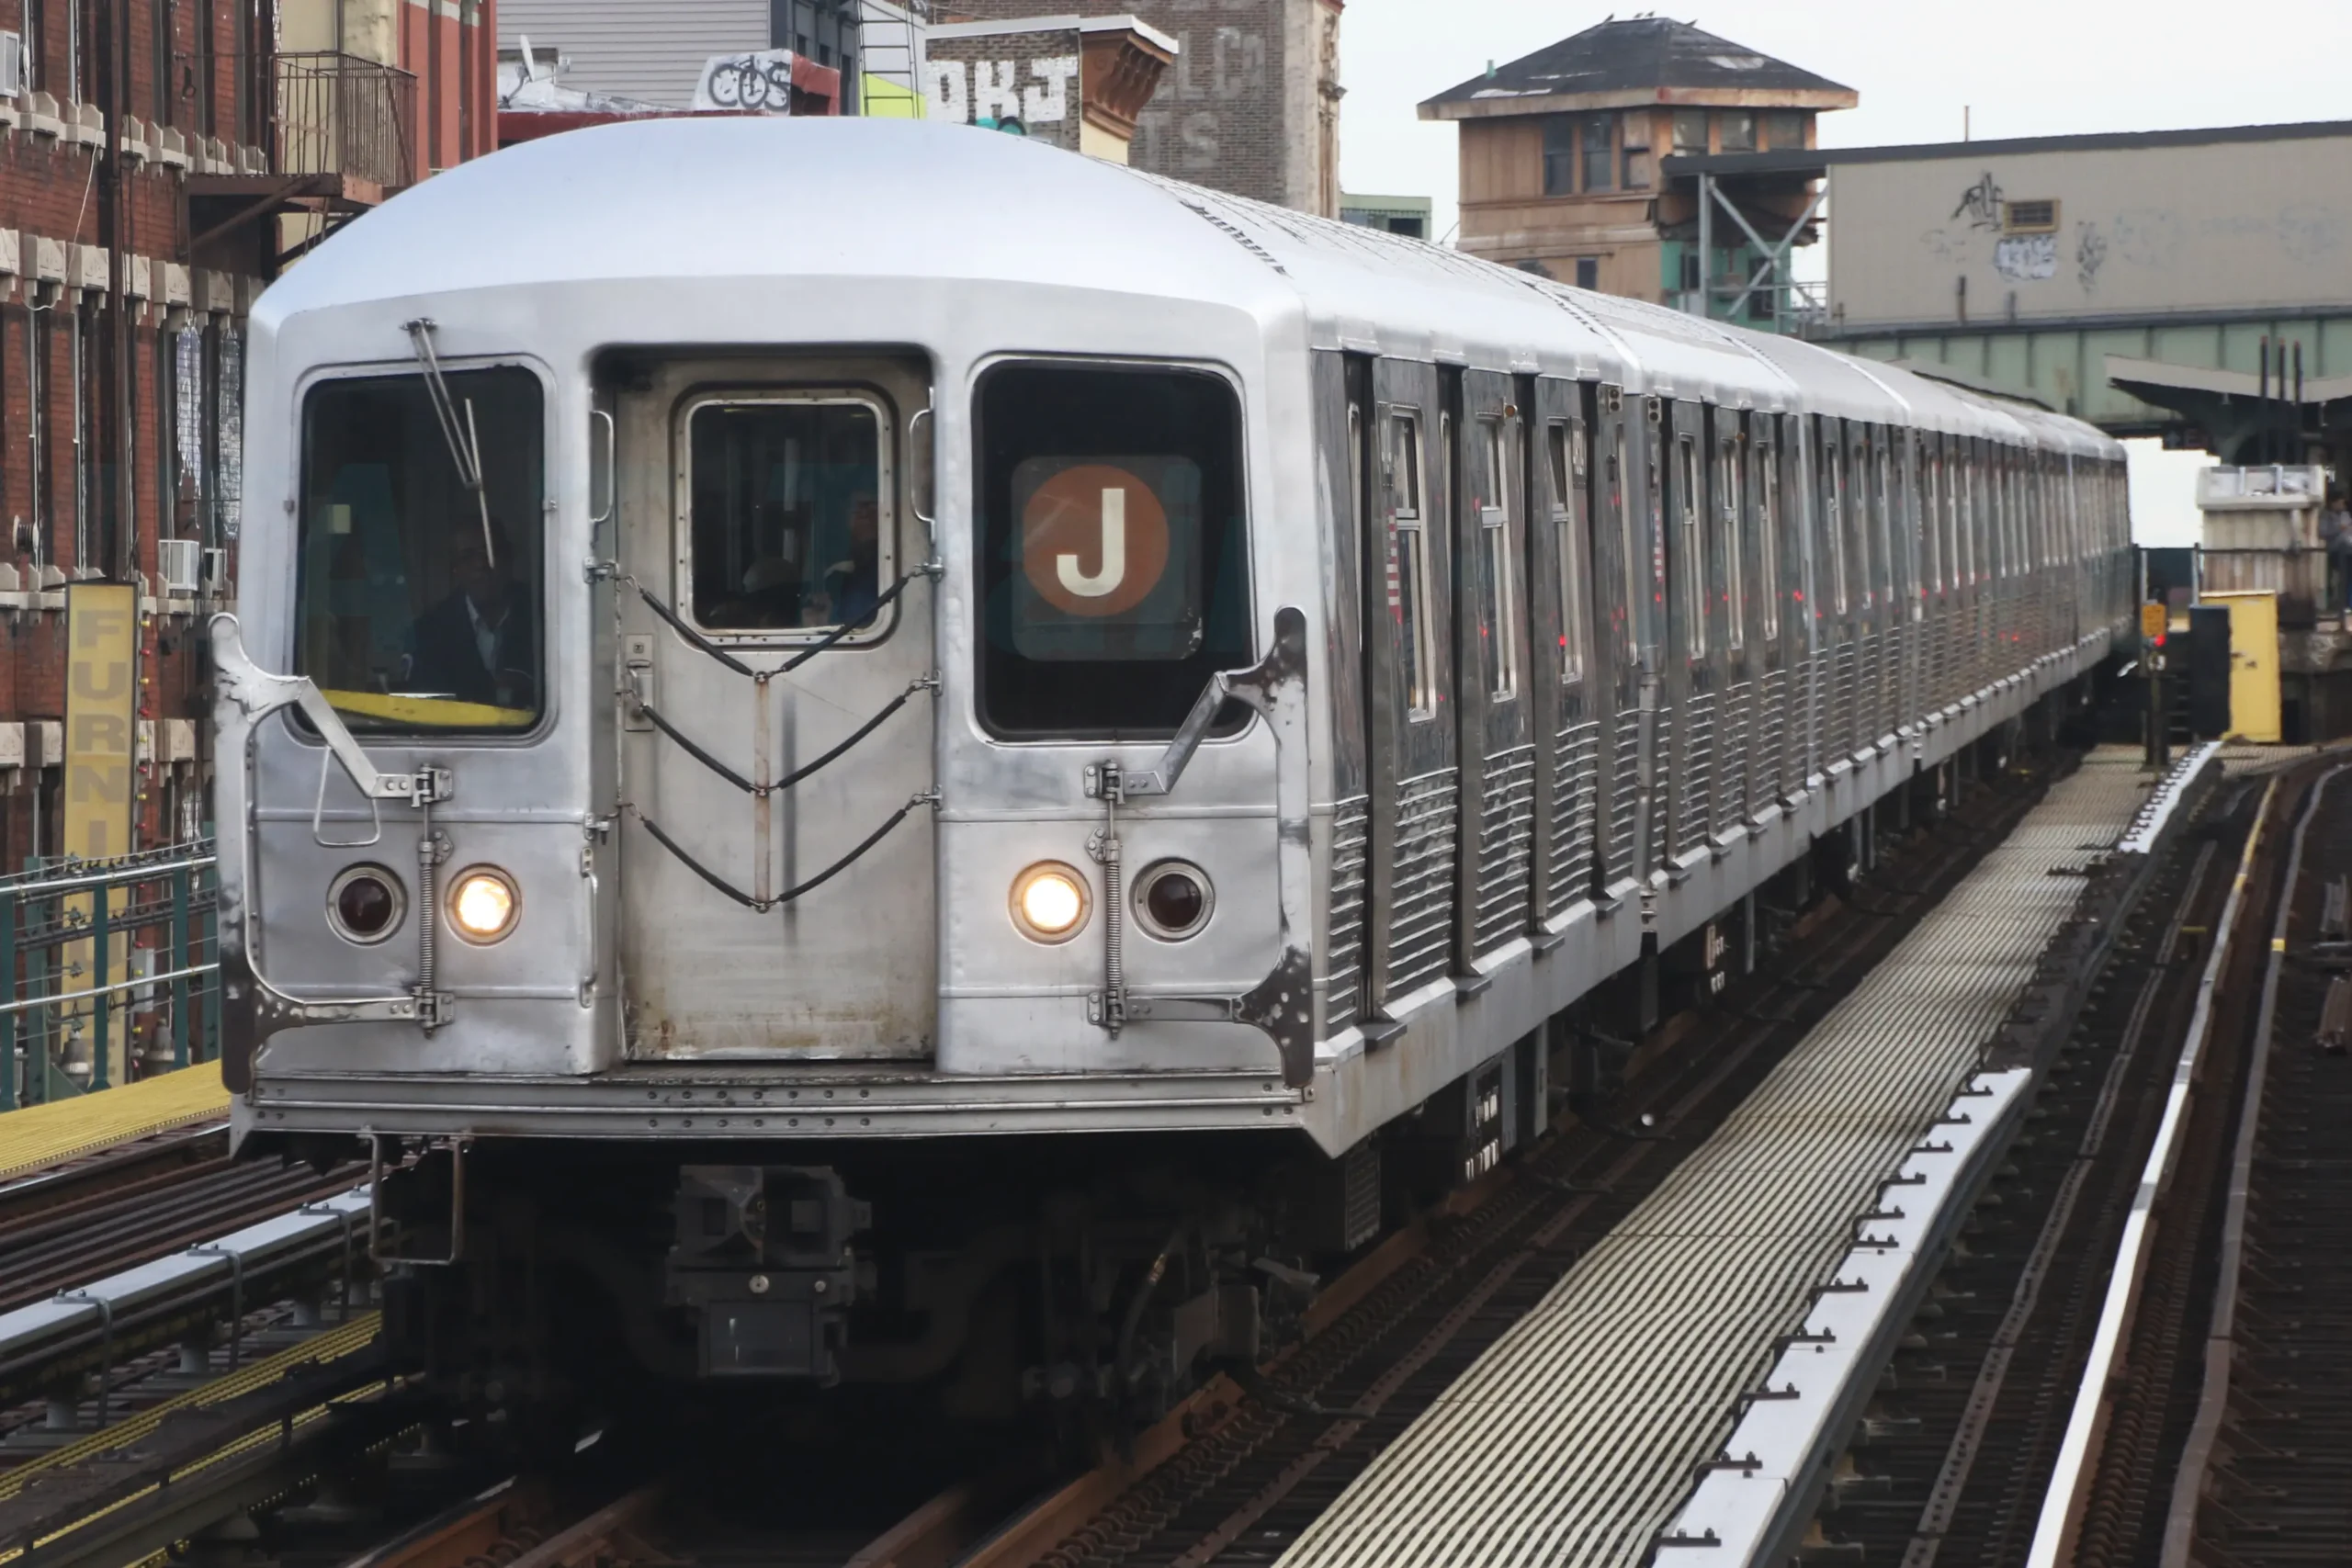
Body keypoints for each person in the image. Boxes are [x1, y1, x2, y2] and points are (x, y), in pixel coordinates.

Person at [405, 524, 537, 709]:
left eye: (490, 552)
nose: (481, 564)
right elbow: (422, 703)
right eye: (467, 556)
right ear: (455, 569)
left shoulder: (544, 615)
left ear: (509, 558)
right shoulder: (429, 631)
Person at [821, 494, 883, 628]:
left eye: (872, 507)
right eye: (857, 509)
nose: (865, 514)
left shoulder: (889, 571)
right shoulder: (836, 575)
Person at [2322, 491, 2352, 615]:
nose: (2342, 505)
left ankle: (2348, 603)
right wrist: (2339, 528)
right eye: (2340, 503)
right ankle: (2343, 604)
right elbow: (2323, 533)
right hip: (2335, 551)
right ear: (2333, 503)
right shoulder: (2326, 516)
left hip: (2349, 549)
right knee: (2343, 577)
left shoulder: (2345, 515)